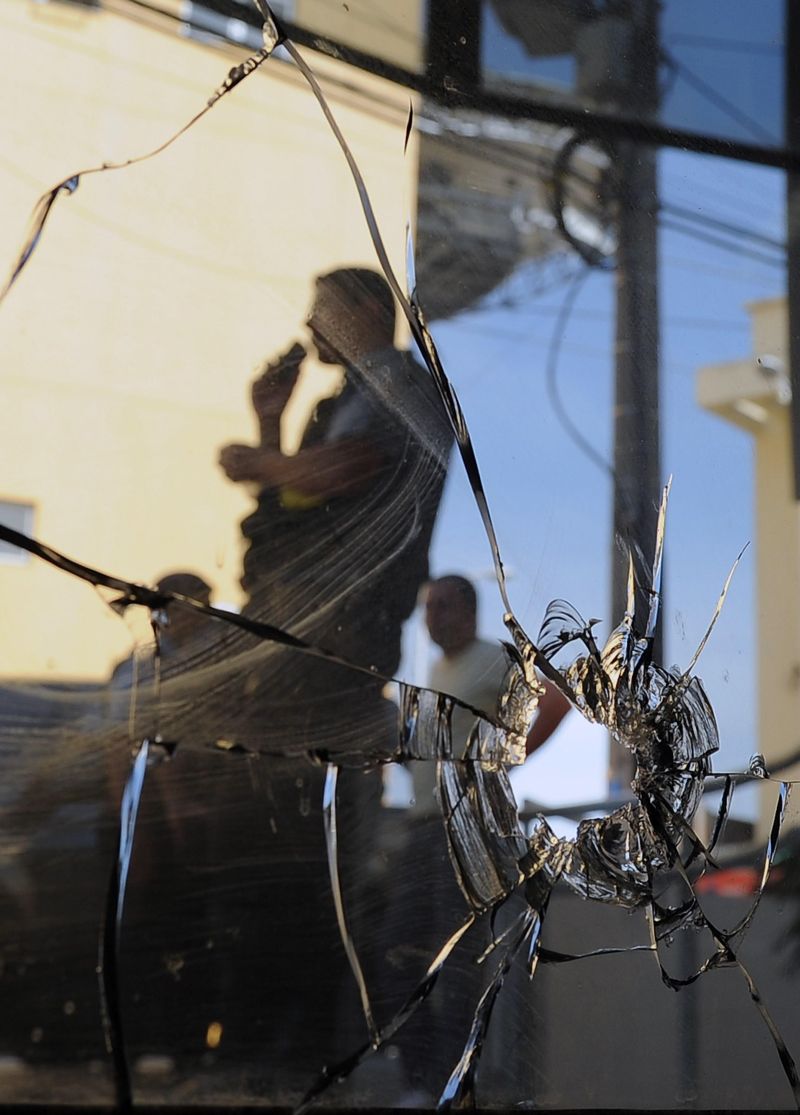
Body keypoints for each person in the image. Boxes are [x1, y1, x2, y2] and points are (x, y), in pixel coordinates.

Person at [410, 574, 569, 814]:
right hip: (426, 818)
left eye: (443, 606)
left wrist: (505, 765)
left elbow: (556, 703)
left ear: (469, 613)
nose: (432, 617)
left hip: (467, 818)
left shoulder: (495, 660)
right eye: (428, 607)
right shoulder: (436, 669)